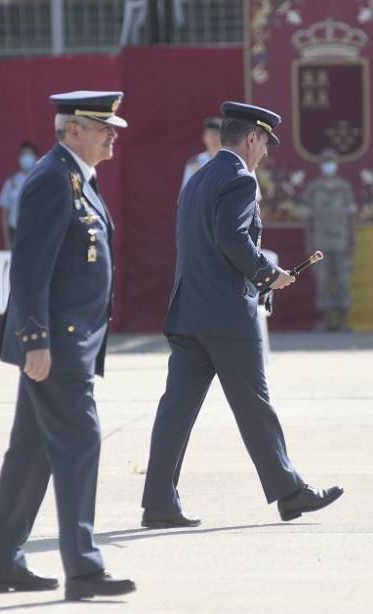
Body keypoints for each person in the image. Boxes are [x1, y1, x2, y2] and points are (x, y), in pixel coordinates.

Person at [140, 101, 344, 529]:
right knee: (255, 405)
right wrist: (268, 275)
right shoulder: (240, 179)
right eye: (265, 142)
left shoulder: (197, 179)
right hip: (227, 314)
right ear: (250, 138)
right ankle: (289, 492)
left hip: (190, 310)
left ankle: (159, 500)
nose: (266, 152)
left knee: (175, 410)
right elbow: (231, 238)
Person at [0, 91, 135, 601]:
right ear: (73, 130)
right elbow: (29, 271)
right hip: (58, 346)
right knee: (80, 443)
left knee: (31, 453)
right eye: (103, 127)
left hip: (72, 343)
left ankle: (2, 562)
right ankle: (84, 569)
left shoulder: (78, 179)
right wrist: (36, 342)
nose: (113, 134)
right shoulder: (52, 179)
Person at [299, 148, 358, 332]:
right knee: (323, 281)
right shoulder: (314, 188)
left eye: (331, 161)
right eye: (325, 161)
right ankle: (326, 321)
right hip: (320, 244)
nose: (328, 165)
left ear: (337, 164)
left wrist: (352, 240)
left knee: (343, 281)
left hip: (342, 241)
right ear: (320, 165)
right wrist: (309, 243)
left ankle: (342, 321)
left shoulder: (344, 187)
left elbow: (351, 217)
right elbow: (308, 219)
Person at [0, 141, 39, 248]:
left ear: (36, 157)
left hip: (37, 231)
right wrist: (7, 240)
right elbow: (4, 212)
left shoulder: (41, 180)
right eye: (23, 154)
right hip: (15, 231)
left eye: (29, 154)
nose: (26, 158)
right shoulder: (11, 181)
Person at [180, 117, 222, 191]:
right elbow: (185, 194)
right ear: (204, 137)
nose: (214, 139)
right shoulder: (195, 163)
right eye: (210, 135)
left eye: (216, 135)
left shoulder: (230, 161)